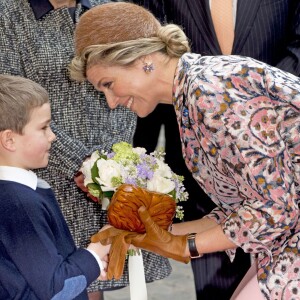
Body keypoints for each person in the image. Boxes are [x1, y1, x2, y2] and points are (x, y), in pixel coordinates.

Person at [68, 2, 300, 299]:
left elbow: (274, 211)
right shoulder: (193, 93)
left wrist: (183, 246)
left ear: (143, 60)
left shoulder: (210, 91)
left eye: (109, 84)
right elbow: (239, 211)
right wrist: (149, 236)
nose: (111, 101)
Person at [0, 1, 172, 299]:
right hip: (47, 174)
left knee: (94, 274)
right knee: (66, 280)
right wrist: (82, 165)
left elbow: (130, 85)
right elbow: (8, 105)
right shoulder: (8, 14)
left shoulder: (108, 7)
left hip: (107, 174)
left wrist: (116, 166)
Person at [0, 74, 110, 299]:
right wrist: (94, 255)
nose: (53, 137)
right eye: (44, 128)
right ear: (9, 140)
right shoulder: (20, 203)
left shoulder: (17, 194)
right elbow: (55, 289)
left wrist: (86, 270)